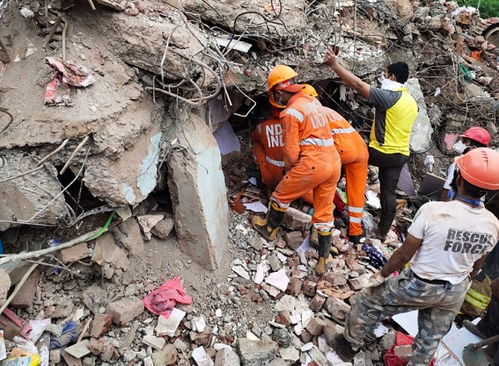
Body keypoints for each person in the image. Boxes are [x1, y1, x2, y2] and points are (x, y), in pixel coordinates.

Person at [330, 147, 499, 364]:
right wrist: (463, 281)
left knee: (367, 302)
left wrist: (381, 275)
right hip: (455, 290)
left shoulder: (434, 211)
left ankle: (348, 345)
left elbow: (403, 255)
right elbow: (477, 265)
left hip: (421, 284)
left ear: (459, 179)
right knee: (431, 337)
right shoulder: (492, 224)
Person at [251, 65, 341, 274]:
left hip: (312, 163)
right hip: (333, 162)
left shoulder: (290, 113)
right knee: (324, 211)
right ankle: (322, 260)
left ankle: (270, 229)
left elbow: (290, 151)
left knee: (281, 195)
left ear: (280, 92)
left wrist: (289, 173)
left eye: (275, 95)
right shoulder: (313, 101)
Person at [324, 49, 418, 242]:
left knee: (347, 157)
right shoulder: (410, 100)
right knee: (388, 196)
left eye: (384, 74)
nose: (382, 77)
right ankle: (381, 234)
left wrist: (334, 65)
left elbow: (358, 85)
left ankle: (330, 196)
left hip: (381, 152)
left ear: (391, 76)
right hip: (400, 154)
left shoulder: (389, 96)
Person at [440, 126, 491, 201]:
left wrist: (439, 208)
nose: (461, 143)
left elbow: (447, 191)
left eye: (465, 141)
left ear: (474, 147)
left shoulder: (461, 163)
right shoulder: (485, 168)